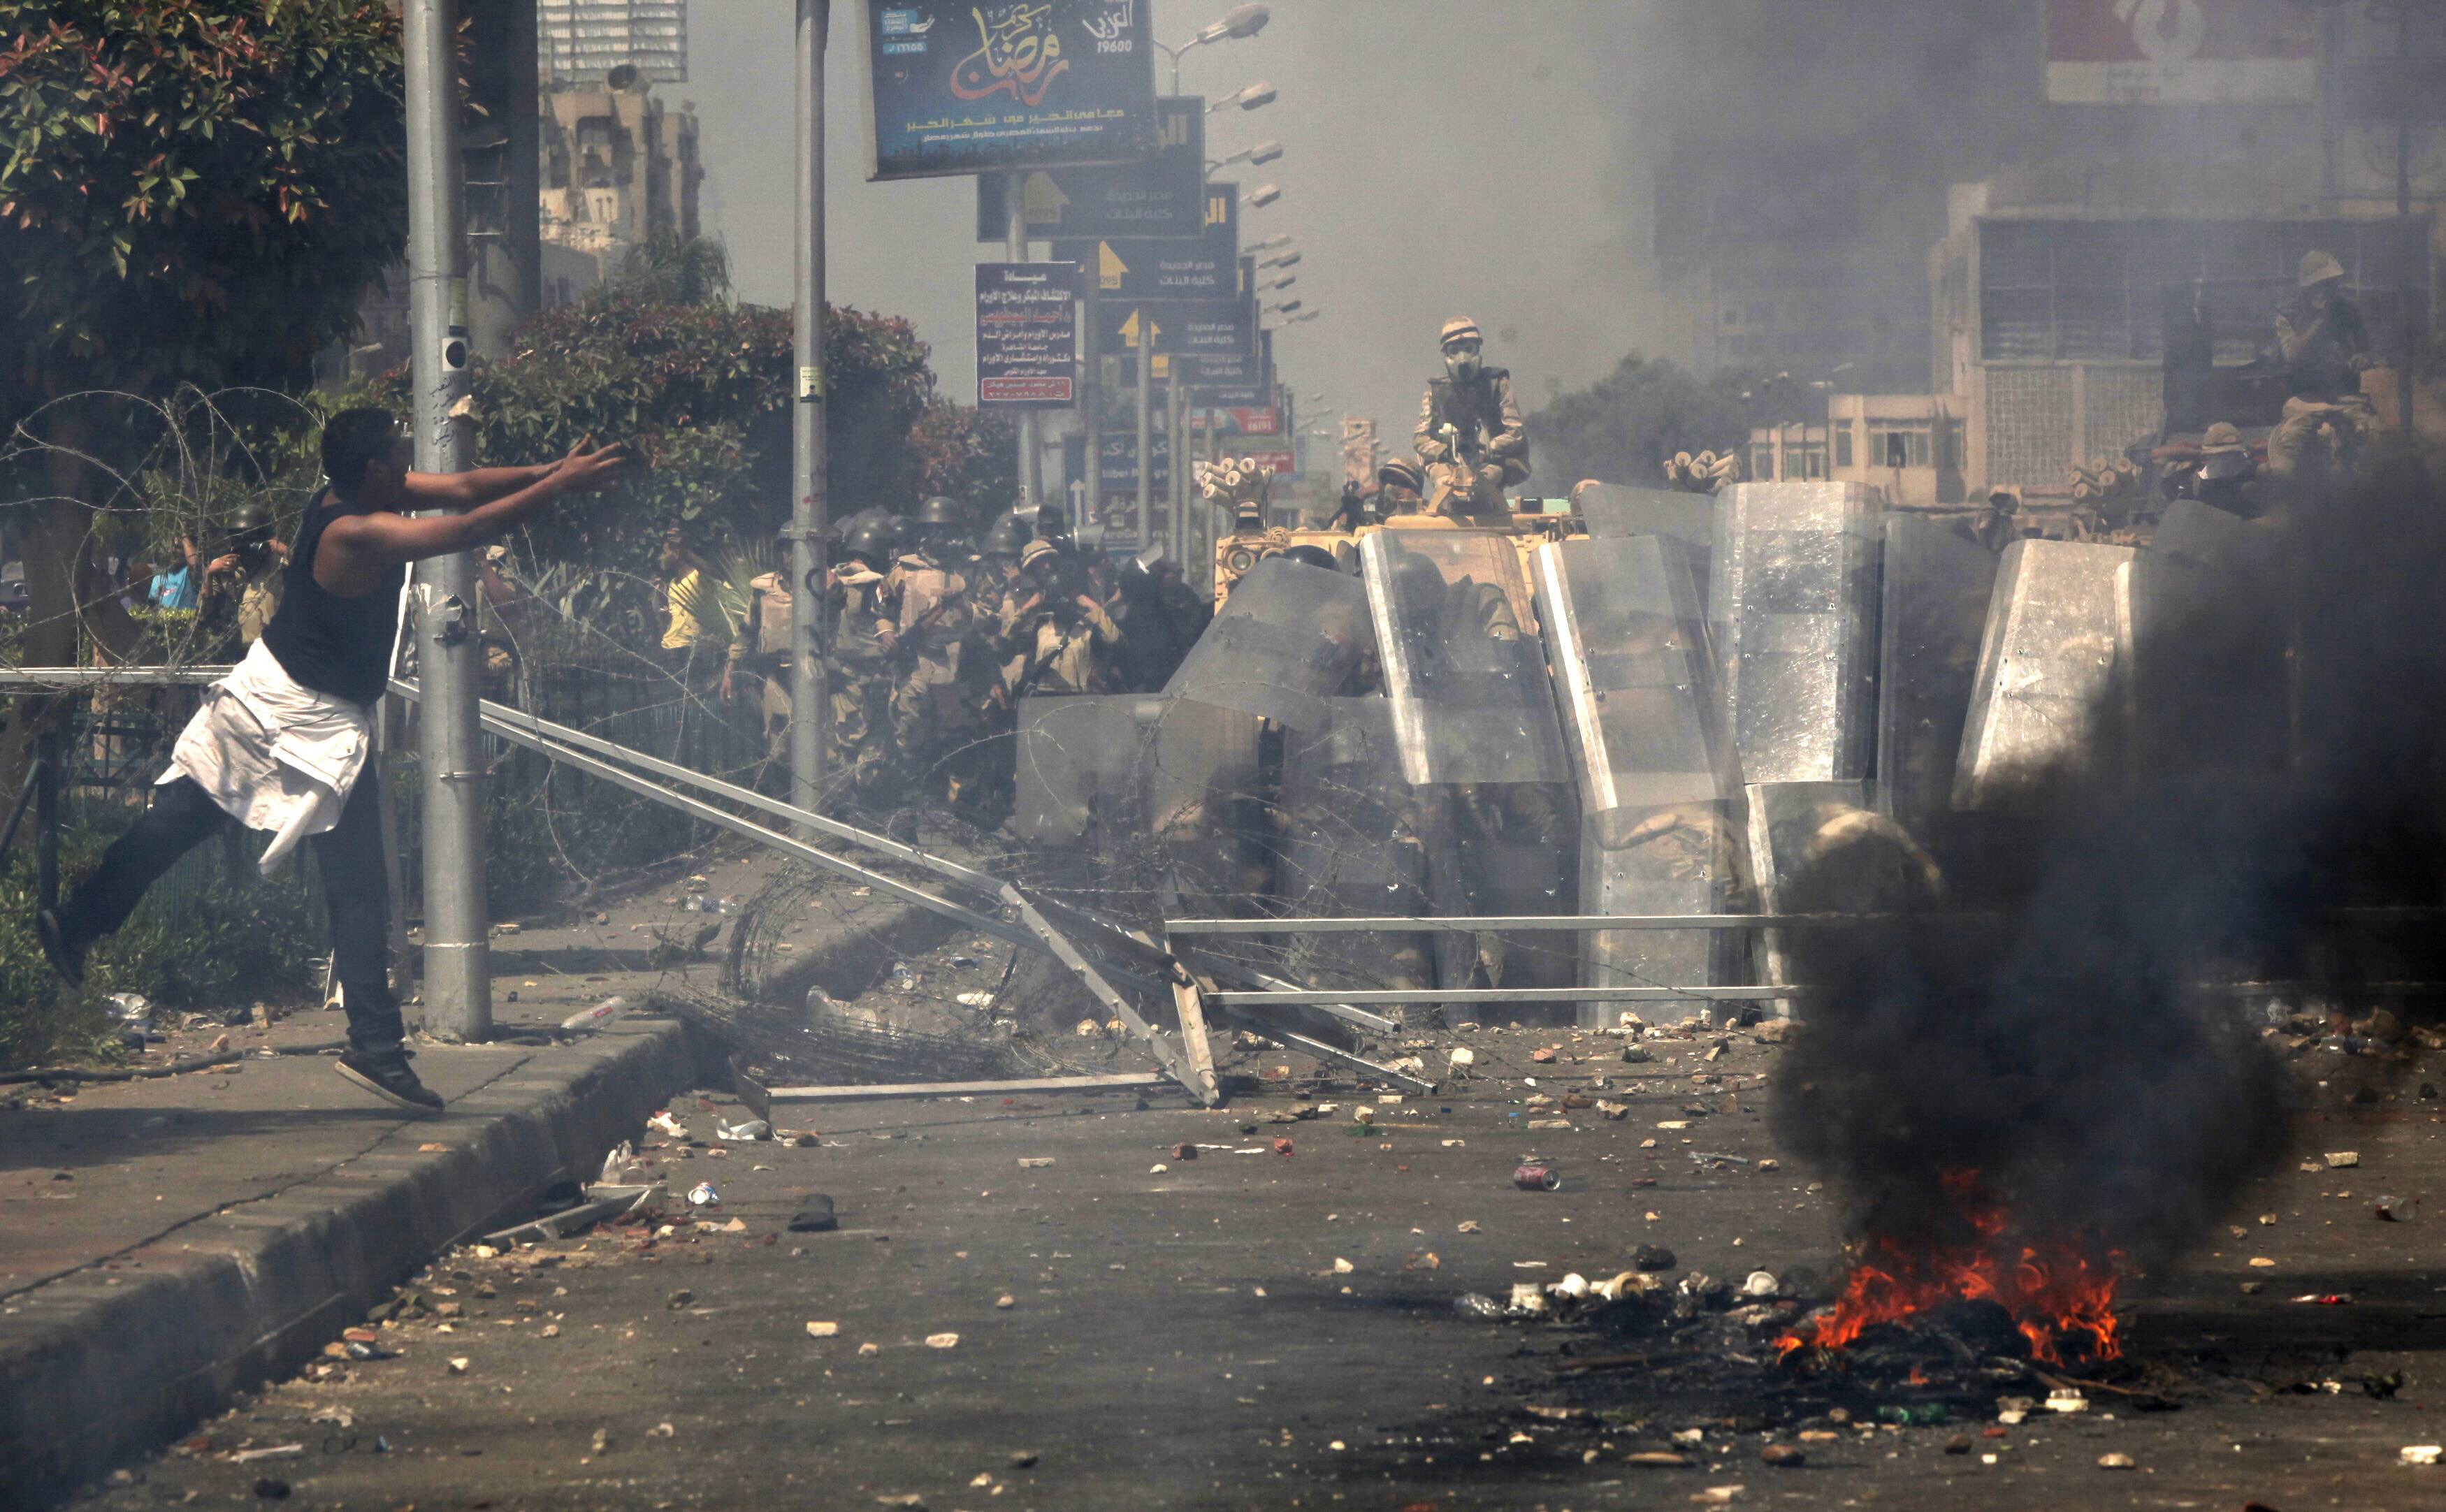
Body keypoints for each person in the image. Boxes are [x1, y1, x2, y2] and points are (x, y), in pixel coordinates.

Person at [36, 408, 635, 1112]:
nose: (411, 457)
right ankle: (374, 1048)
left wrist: (549, 470)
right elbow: (469, 528)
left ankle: (78, 922)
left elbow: (470, 487)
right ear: (376, 469)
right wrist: (560, 487)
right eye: (400, 450)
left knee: (199, 826)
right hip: (295, 711)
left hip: (300, 705)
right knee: (338, 880)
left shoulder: (366, 493)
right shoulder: (357, 529)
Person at [882, 496, 979, 808]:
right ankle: (913, 808)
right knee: (911, 736)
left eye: (948, 531)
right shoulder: (903, 571)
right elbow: (882, 609)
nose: (942, 539)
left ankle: (961, 806)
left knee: (960, 739)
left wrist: (967, 607)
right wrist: (885, 634)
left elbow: (992, 614)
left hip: (959, 666)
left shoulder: (970, 570)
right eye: (935, 531)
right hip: (915, 665)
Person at [2266, 251, 2376, 480]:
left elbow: (2364, 349)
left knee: (2372, 437)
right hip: (2306, 397)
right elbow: (2294, 355)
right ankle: (2284, 500)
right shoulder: (2288, 314)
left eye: (2331, 284)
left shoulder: (2348, 311)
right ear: (2307, 288)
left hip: (2346, 395)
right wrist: (2322, 319)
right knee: (2289, 443)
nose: (2328, 290)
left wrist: (2362, 358)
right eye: (2321, 285)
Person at [1414, 318, 1530, 518]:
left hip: (1491, 462)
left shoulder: (1497, 384)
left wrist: (1488, 449)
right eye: (1455, 351)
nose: (1463, 357)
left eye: (1469, 348)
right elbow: (1420, 438)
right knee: (1443, 481)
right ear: (1446, 355)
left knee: (1486, 482)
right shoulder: (1435, 393)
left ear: (1478, 350)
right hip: (1448, 464)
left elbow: (1515, 432)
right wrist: (1445, 451)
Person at [827, 515, 899, 806]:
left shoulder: (830, 580)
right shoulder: (876, 585)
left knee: (841, 738)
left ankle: (841, 803)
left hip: (837, 673)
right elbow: (887, 621)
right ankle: (866, 805)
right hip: (873, 674)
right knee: (876, 739)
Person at [199, 504, 288, 655]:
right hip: (235, 650)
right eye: (238, 537)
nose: (244, 544)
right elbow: (204, 613)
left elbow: (311, 581)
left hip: (273, 649)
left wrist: (287, 552)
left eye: (250, 537)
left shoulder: (279, 565)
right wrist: (209, 575)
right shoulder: (223, 568)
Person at [147, 535, 202, 611]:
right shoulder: (158, 580)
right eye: (169, 547)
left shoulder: (187, 573)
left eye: (178, 547)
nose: (173, 550)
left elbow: (194, 564)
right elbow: (151, 607)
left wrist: (184, 532)